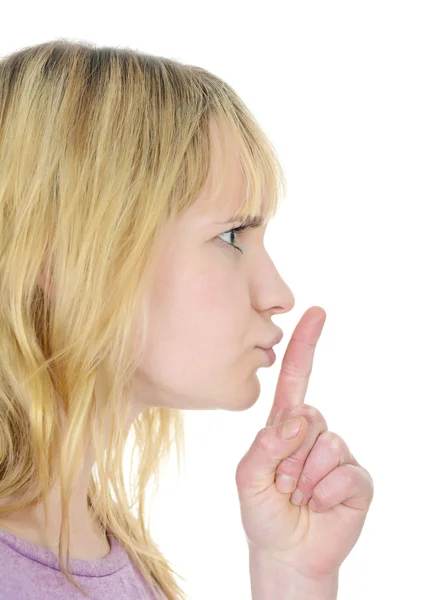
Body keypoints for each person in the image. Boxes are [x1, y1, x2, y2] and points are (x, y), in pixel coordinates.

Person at [0, 39, 373, 600]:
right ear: (66, 256)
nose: (278, 294)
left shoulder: (109, 552)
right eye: (230, 236)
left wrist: (292, 579)